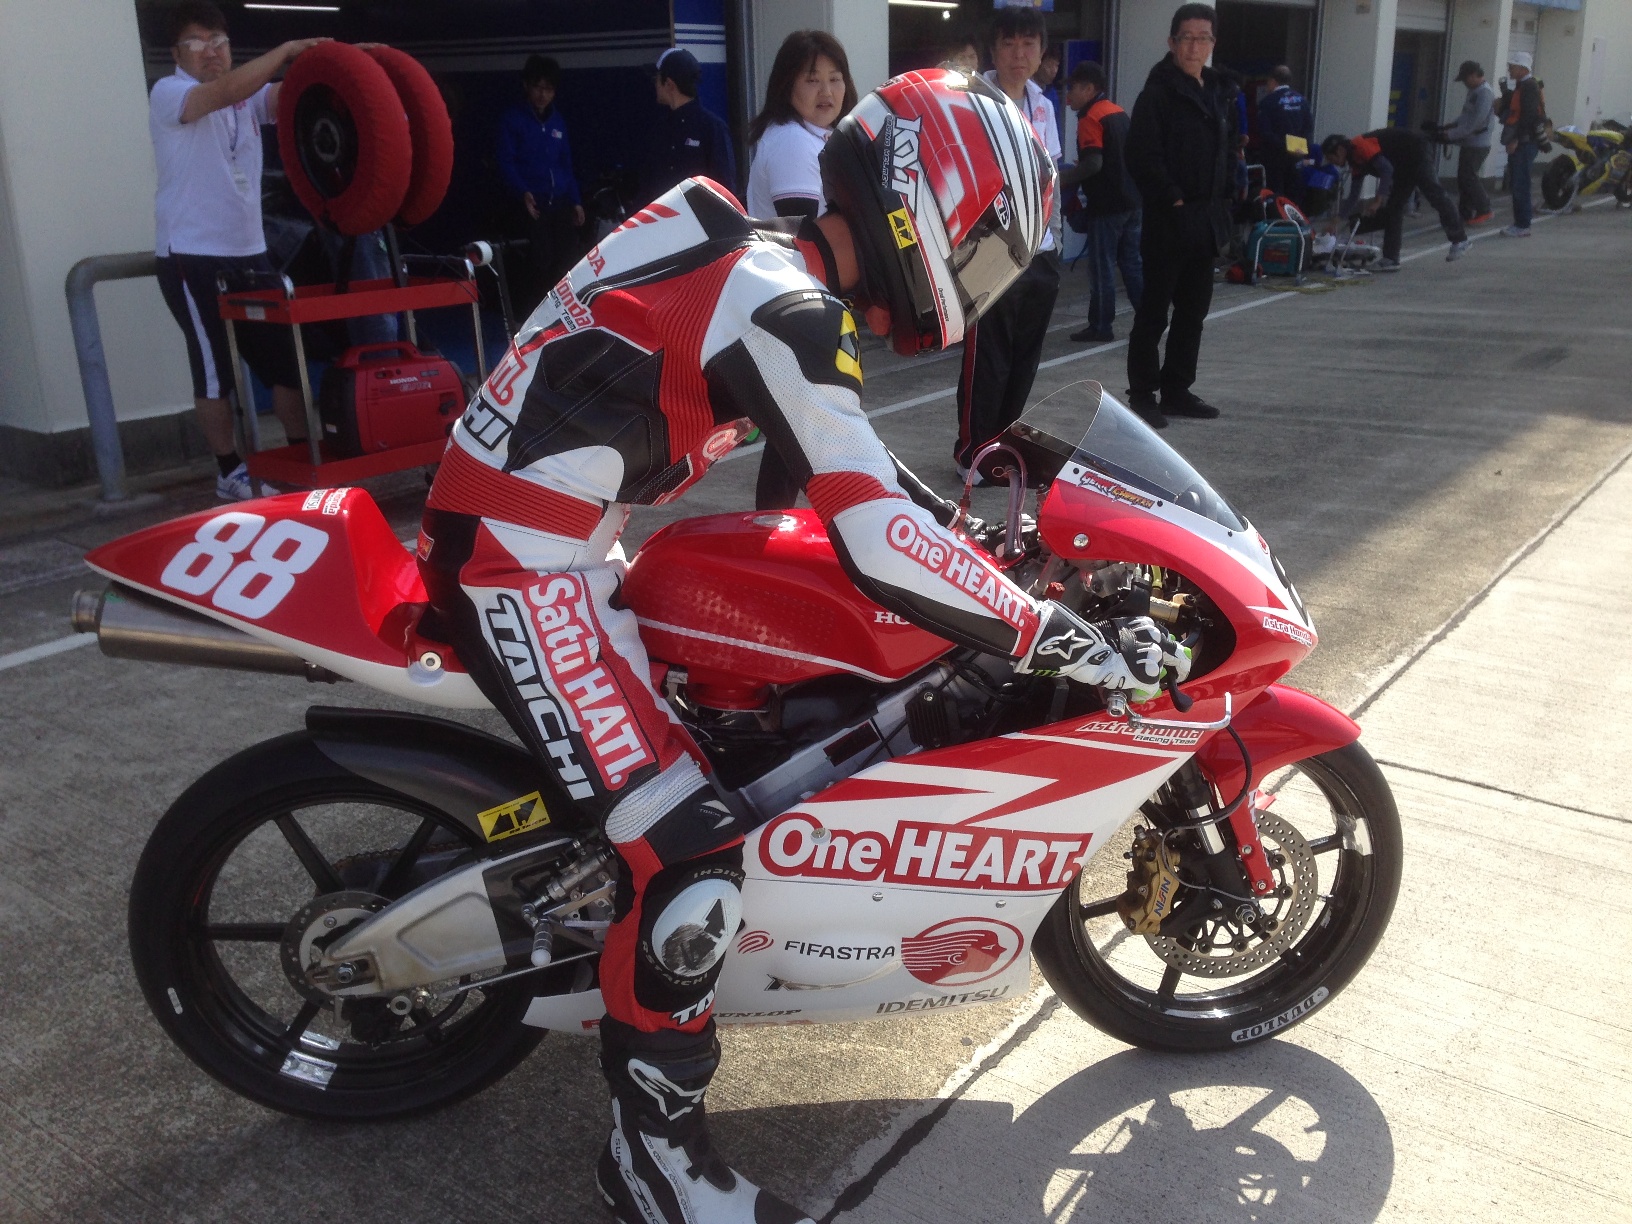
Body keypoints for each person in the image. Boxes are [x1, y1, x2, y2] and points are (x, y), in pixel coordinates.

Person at [418, 66, 1188, 1224]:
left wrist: (977, 550)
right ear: (930, 205)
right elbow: (876, 539)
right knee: (689, 854)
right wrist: (1052, 635)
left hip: (544, 540)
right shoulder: (784, 305)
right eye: (981, 253)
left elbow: (854, 469)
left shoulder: (749, 254)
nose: (975, 284)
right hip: (519, 569)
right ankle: (653, 1166)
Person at [149, 1, 324, 501]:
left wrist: (342, 62)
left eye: (219, 42)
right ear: (176, 54)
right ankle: (229, 470)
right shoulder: (170, 93)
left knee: (285, 364)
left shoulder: (248, 97)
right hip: (191, 255)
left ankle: (301, 458)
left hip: (250, 253)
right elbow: (225, 91)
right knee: (214, 371)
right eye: (197, 43)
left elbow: (292, 94)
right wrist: (285, 50)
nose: (211, 52)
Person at [745, 31, 858, 510]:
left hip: (794, 299)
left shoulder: (817, 137)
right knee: (799, 426)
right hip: (794, 299)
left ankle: (772, 521)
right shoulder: (792, 140)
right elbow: (805, 237)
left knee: (795, 430)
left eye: (835, 77)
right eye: (812, 80)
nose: (827, 91)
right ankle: (772, 523)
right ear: (786, 85)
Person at [953, 5, 1061, 484]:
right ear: (993, 51)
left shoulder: (1044, 104)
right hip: (990, 249)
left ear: (1041, 51)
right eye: (1009, 44)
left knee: (1023, 357)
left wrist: (1051, 239)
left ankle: (1003, 448)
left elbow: (1052, 175)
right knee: (987, 358)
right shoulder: (974, 100)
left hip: (1041, 249)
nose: (1020, 54)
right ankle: (970, 453)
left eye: (1029, 44)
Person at [1121, 3, 1235, 429]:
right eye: (1186, 38)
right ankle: (1142, 393)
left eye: (1202, 38)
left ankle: (1177, 390)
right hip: (1169, 221)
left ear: (1213, 43)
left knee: (1193, 313)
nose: (1194, 47)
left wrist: (1227, 199)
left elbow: (1227, 150)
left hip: (1207, 220)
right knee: (1154, 312)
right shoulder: (1158, 93)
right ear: (1172, 42)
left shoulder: (1217, 91)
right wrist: (1172, 198)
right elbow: (1141, 155)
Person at [1060, 62, 1142, 344]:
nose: (1068, 94)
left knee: (1102, 267)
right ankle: (1149, 320)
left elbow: (1094, 163)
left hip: (1107, 206)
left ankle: (1101, 326)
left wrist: (1062, 178)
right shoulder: (1118, 112)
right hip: (1132, 201)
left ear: (1089, 89)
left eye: (1073, 88)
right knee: (1132, 264)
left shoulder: (1090, 117)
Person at [497, 55, 584, 315]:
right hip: (531, 204)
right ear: (526, 85)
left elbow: (566, 165)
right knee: (540, 261)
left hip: (559, 202)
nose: (542, 94)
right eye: (538, 87)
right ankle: (531, 317)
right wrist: (522, 191)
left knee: (567, 260)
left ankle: (562, 316)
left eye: (549, 89)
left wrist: (576, 201)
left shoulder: (558, 122)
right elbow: (506, 162)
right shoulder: (513, 120)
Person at [1321, 129, 1471, 271]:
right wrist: (1335, 221)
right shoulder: (1355, 163)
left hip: (1416, 150)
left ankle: (1460, 239)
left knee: (1434, 193)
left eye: (1330, 157)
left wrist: (1378, 200)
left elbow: (1386, 169)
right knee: (1394, 207)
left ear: (1339, 150)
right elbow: (1353, 196)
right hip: (1402, 164)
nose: (1332, 162)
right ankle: (1390, 259)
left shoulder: (1360, 145)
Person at [645, 48, 737, 201]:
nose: (655, 84)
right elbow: (648, 185)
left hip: (699, 215)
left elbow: (725, 189)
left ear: (669, 84)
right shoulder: (659, 129)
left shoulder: (712, 128)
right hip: (663, 216)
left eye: (656, 78)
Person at [1497, 52, 1545, 237]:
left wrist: (1516, 140)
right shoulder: (1524, 85)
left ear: (1522, 68)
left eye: (1512, 66)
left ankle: (1522, 225)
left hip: (1525, 143)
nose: (1509, 70)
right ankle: (1521, 223)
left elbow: (1528, 116)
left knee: (1520, 183)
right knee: (1518, 182)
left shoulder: (1528, 86)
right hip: (1525, 142)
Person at [1256, 65, 1312, 203]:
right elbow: (1309, 128)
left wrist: (1284, 145)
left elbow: (1265, 132)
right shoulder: (1302, 101)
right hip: (1297, 156)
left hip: (1275, 158)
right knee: (1294, 196)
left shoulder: (1268, 102)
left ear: (1272, 81)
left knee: (1275, 197)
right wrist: (1300, 148)